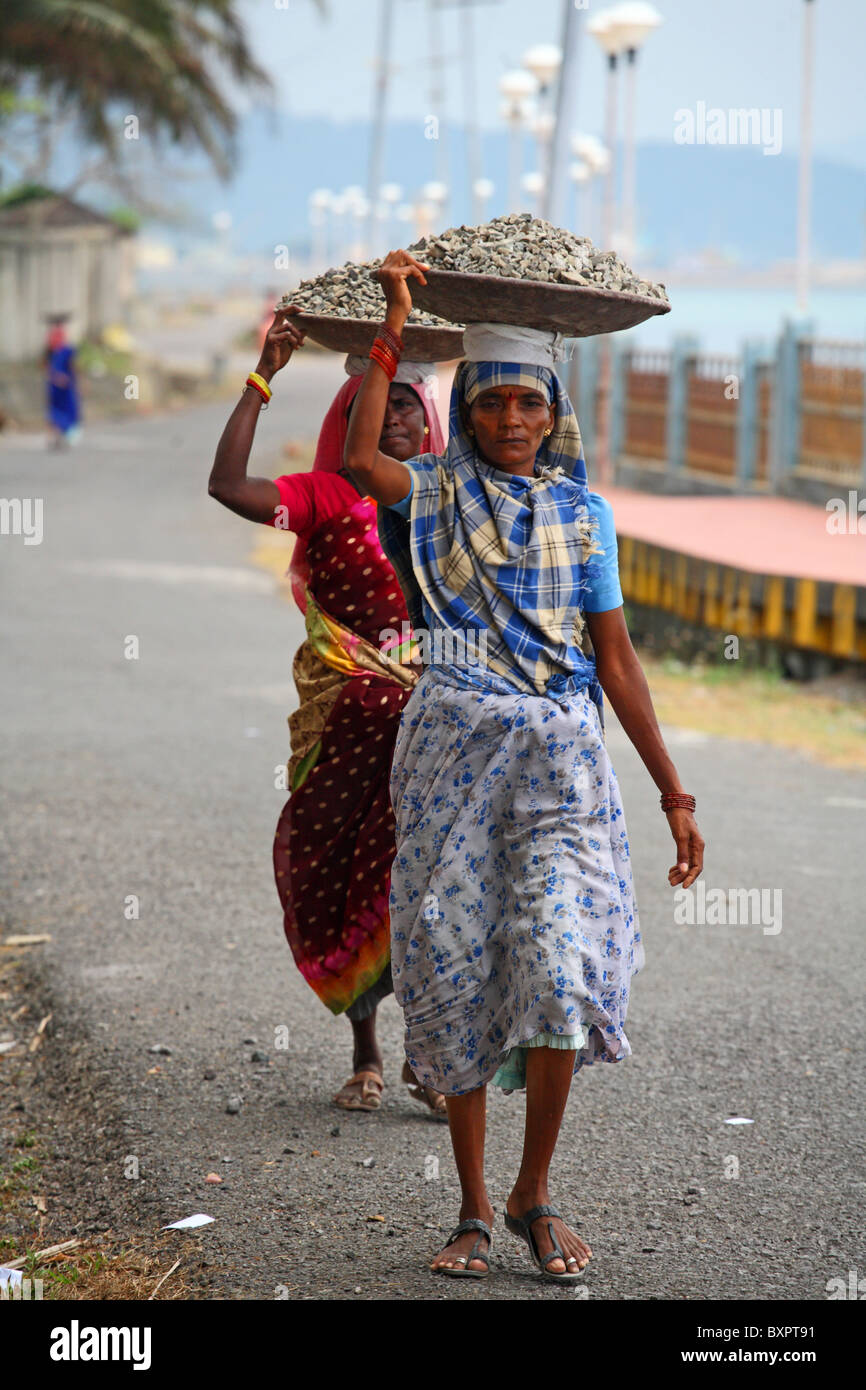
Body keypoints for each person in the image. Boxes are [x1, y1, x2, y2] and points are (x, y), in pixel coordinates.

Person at [343, 250, 706, 1282]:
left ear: (552, 416)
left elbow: (615, 659)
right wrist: (394, 326)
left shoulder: (580, 517)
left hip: (557, 776)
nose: (511, 420)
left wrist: (673, 791)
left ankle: (532, 1192)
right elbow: (362, 456)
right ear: (468, 411)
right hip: (452, 765)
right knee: (454, 970)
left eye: (527, 405)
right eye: (492, 402)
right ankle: (466, 1207)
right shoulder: (431, 492)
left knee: (554, 973)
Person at [208, 308, 449, 1117]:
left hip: (438, 724)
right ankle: (366, 1049)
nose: (404, 419)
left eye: (415, 404)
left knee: (430, 882)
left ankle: (429, 1057)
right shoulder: (327, 495)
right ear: (352, 420)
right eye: (386, 407)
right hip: (349, 722)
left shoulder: (448, 504)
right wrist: (260, 379)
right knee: (345, 872)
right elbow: (228, 487)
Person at [44, 315, 80, 447]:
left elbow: (73, 366)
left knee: (64, 411)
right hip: (55, 386)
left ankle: (62, 437)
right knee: (55, 412)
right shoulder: (51, 349)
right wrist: (55, 376)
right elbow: (46, 365)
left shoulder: (67, 350)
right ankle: (54, 437)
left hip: (65, 386)